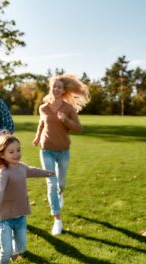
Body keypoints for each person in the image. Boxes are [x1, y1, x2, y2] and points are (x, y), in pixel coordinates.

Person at [0, 134, 54, 264]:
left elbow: (33, 171)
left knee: (21, 248)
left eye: (18, 150)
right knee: (5, 251)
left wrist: (48, 173)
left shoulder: (22, 167)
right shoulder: (3, 173)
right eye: (11, 151)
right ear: (2, 154)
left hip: (20, 217)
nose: (16, 154)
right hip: (4, 218)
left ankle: (14, 247)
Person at [33, 74, 89, 236]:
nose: (56, 89)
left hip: (63, 151)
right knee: (51, 183)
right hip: (46, 150)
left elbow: (78, 128)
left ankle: (61, 193)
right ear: (50, 89)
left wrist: (66, 120)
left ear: (63, 91)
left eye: (59, 87)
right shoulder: (43, 108)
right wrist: (37, 137)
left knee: (60, 183)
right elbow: (42, 123)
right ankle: (57, 219)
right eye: (54, 86)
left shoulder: (68, 108)